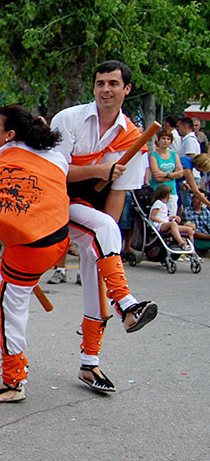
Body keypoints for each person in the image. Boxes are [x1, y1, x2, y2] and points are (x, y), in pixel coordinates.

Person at [49, 60, 158, 393]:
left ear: (126, 89)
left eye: (113, 83)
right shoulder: (68, 120)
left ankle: (90, 364)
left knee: (99, 270)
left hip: (86, 212)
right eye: (100, 83)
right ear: (93, 87)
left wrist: (102, 240)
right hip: (50, 203)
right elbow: (56, 173)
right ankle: (126, 302)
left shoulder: (132, 136)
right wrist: (99, 171)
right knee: (13, 293)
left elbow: (120, 194)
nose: (106, 90)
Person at [0, 106, 70, 403]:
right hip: (57, 238)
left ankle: (13, 381)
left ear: (10, 135)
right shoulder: (54, 156)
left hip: (30, 246)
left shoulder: (4, 162)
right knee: (14, 302)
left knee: (6, 309)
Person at [149, 128, 182, 218]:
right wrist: (173, 175)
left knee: (172, 216)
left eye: (168, 139)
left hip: (172, 191)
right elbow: (157, 177)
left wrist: (165, 174)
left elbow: (180, 173)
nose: (165, 141)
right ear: (158, 140)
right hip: (158, 191)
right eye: (163, 138)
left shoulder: (174, 155)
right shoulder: (153, 156)